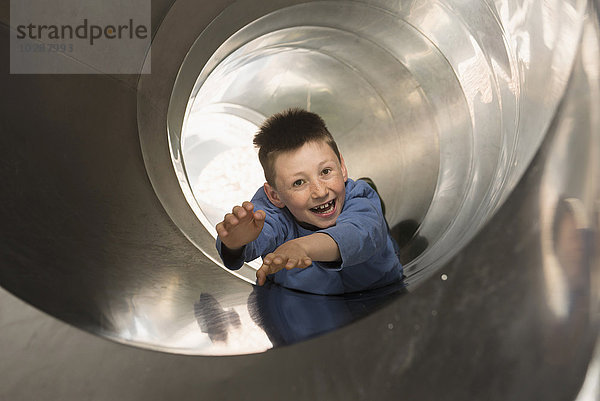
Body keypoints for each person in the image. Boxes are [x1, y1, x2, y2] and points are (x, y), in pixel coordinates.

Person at [215, 108, 403, 294]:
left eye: (326, 172)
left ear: (343, 167)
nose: (319, 191)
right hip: (313, 298)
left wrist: (302, 247)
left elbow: (359, 235)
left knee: (375, 219)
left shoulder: (359, 198)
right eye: (298, 182)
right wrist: (235, 244)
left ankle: (380, 209)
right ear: (275, 195)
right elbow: (259, 234)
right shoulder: (271, 211)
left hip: (378, 284)